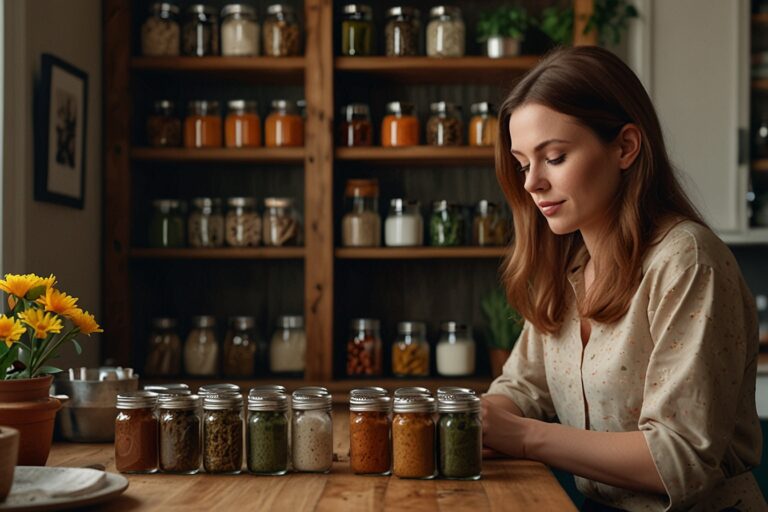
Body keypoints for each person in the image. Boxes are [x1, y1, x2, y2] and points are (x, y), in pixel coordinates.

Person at [481, 45, 765, 511]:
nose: (531, 183)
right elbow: (522, 388)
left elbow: (679, 459)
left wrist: (526, 437)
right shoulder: (566, 266)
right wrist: (477, 417)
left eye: (553, 157)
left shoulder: (687, 262)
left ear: (625, 147)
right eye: (522, 163)